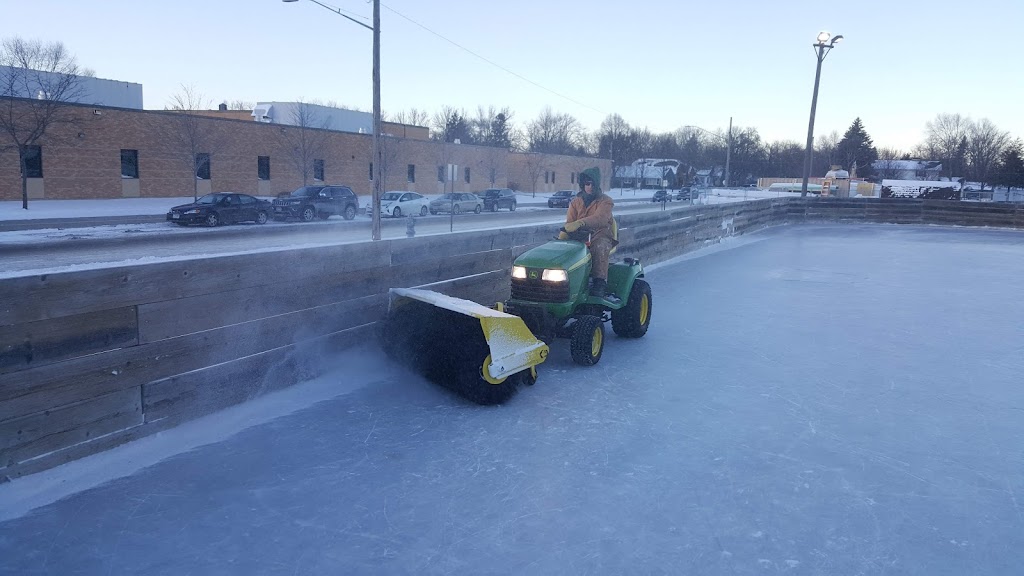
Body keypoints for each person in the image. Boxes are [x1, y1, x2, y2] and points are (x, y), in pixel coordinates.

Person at [559, 167, 618, 299]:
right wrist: (565, 233)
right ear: (583, 185)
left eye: (592, 184)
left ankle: (599, 282)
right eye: (587, 183)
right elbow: (570, 223)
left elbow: (600, 219)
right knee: (561, 246)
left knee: (599, 246)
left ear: (597, 184)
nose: (590, 187)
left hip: (601, 234)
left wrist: (581, 223)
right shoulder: (575, 202)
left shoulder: (606, 201)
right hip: (579, 236)